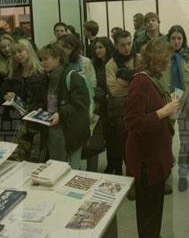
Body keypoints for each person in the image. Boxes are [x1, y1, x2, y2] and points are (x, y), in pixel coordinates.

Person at [125, 37, 180, 238]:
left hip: (154, 156)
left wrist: (166, 111)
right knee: (148, 212)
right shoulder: (140, 81)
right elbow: (132, 122)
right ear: (157, 58)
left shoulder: (150, 79)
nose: (169, 63)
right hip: (146, 160)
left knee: (155, 208)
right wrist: (163, 112)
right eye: (167, 58)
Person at [160, 25, 189, 192]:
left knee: (185, 142)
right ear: (169, 40)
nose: (176, 41)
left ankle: (183, 175)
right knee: (165, 140)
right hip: (167, 104)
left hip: (185, 104)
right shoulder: (162, 58)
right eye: (173, 38)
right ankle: (165, 172)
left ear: (184, 40)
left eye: (179, 38)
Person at [39, 43, 90, 169]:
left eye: (46, 59)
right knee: (56, 167)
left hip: (69, 131)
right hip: (52, 129)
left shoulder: (72, 76)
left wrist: (60, 113)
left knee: (70, 169)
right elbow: (42, 101)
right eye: (41, 59)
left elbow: (80, 105)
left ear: (57, 58)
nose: (42, 63)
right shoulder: (46, 78)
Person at [58, 34, 99, 170]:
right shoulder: (59, 63)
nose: (64, 50)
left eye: (67, 47)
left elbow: (92, 84)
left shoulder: (84, 62)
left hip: (83, 104)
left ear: (74, 48)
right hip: (67, 107)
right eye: (61, 47)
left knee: (87, 144)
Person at [5, 39, 47, 162]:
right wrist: (9, 96)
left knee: (36, 157)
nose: (17, 55)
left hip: (38, 120)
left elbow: (45, 98)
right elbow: (6, 92)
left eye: (20, 51)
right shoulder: (13, 73)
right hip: (19, 120)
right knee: (19, 158)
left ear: (29, 51)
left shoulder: (41, 72)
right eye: (14, 53)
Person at [105, 30, 137, 176]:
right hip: (120, 113)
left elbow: (146, 85)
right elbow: (114, 91)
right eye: (123, 45)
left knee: (138, 148)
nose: (127, 48)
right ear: (116, 46)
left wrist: (122, 80)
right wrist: (132, 80)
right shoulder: (110, 65)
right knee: (123, 147)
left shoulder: (139, 59)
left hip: (139, 110)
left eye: (129, 43)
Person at [89, 37, 114, 171]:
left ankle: (113, 164)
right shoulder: (94, 64)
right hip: (100, 104)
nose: (97, 50)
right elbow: (92, 84)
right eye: (96, 48)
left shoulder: (113, 62)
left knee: (112, 137)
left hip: (112, 104)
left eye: (101, 47)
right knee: (101, 135)